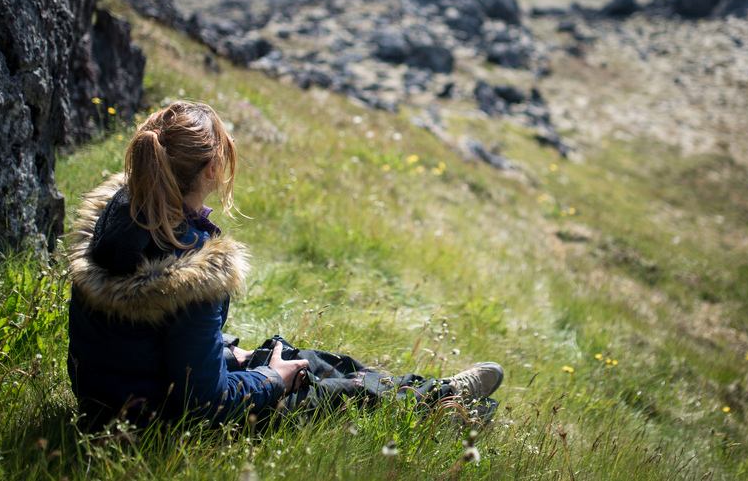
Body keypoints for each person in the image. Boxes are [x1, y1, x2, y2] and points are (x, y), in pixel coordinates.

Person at [66, 100, 503, 429]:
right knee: (313, 384)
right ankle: (439, 404)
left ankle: (437, 396)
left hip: (112, 400)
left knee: (305, 359)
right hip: (153, 425)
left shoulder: (120, 225)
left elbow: (146, 340)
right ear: (213, 167)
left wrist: (227, 350)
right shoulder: (192, 270)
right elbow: (203, 403)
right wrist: (271, 379)